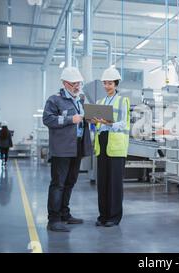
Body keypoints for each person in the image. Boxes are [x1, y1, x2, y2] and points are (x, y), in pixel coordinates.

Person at [42, 67, 93, 232]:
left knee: (70, 182)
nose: (77, 86)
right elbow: (48, 119)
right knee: (58, 184)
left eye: (79, 83)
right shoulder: (54, 100)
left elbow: (84, 119)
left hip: (77, 146)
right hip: (62, 149)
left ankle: (65, 213)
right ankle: (53, 219)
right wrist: (71, 119)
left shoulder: (81, 99)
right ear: (65, 83)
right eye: (73, 83)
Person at [90, 67, 130, 227]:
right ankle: (103, 216)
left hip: (116, 145)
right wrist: (93, 122)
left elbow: (124, 123)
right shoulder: (100, 102)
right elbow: (97, 125)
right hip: (102, 143)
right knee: (103, 182)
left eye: (110, 83)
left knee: (114, 183)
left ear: (116, 84)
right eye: (105, 83)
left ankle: (114, 217)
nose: (107, 86)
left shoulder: (122, 100)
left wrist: (110, 123)